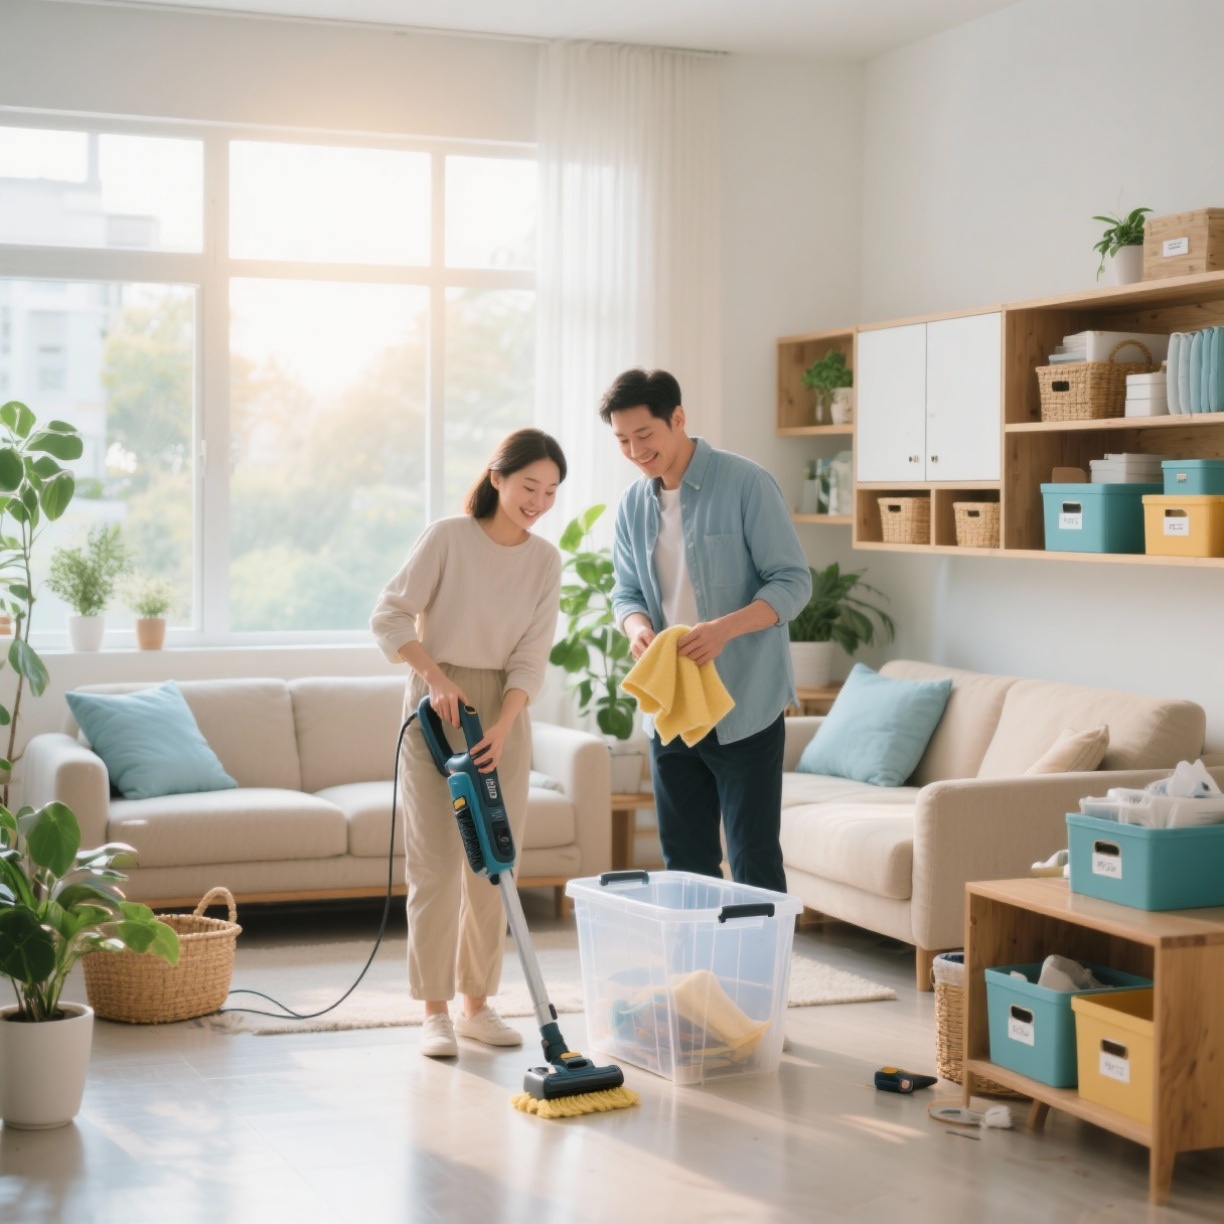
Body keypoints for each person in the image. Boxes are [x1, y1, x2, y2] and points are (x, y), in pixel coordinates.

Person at [370, 429, 566, 1058]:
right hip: (436, 704)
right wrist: (435, 678)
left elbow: (531, 657)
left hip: (504, 714)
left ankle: (477, 1004)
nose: (537, 500)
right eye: (528, 486)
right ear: (498, 477)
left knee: (494, 866)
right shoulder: (448, 538)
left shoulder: (544, 561)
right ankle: (434, 1012)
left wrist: (506, 726)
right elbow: (391, 615)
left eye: (551, 491)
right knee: (435, 867)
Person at [600, 368, 811, 893]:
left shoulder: (746, 483)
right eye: (622, 440)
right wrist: (637, 627)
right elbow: (624, 592)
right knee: (686, 863)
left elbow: (793, 583)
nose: (634, 450)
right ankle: (695, 977)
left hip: (745, 704)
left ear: (678, 419)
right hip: (671, 708)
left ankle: (760, 976)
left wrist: (723, 631)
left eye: (644, 435)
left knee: (753, 858)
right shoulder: (632, 506)